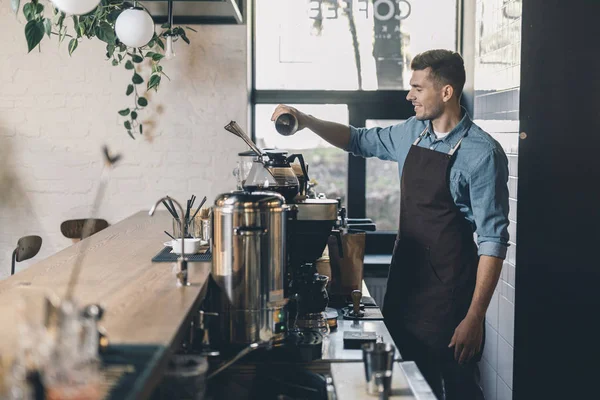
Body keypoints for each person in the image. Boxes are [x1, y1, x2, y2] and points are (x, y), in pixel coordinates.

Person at [271, 49, 509, 400]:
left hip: (450, 300)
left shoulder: (483, 153)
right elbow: (356, 140)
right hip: (405, 288)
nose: (409, 95)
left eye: (417, 87)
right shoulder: (412, 132)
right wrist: (306, 119)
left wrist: (474, 317)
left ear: (446, 92)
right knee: (407, 386)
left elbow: (493, 241)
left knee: (458, 389)